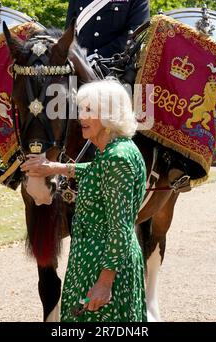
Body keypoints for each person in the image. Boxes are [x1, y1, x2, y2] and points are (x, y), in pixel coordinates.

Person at [21, 80, 147, 322]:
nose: (81, 117)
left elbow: (120, 229)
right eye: (81, 109)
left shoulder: (117, 159)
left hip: (102, 267)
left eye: (90, 110)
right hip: (95, 262)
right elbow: (97, 171)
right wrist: (54, 167)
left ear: (110, 115)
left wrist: (104, 283)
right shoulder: (117, 151)